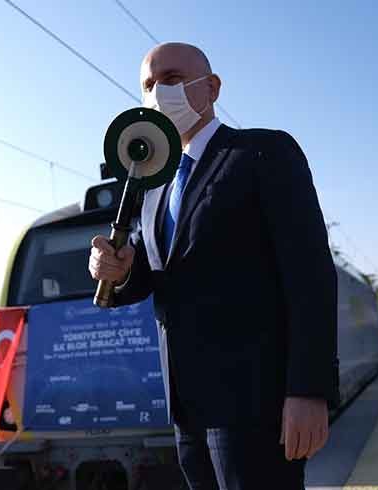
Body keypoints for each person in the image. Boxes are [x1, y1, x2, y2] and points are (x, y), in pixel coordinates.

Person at [89, 43, 338, 489]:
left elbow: (311, 275)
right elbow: (156, 275)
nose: (158, 93)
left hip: (256, 403)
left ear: (212, 87)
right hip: (187, 408)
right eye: (149, 85)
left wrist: (308, 390)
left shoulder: (262, 153)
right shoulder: (153, 186)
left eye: (171, 79)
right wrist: (120, 270)